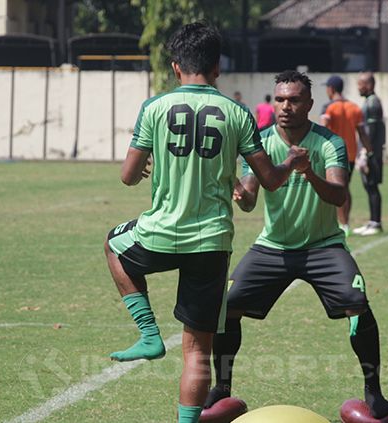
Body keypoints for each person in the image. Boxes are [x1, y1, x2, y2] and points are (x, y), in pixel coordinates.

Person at [104, 22, 309, 423]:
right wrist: (290, 162)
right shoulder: (237, 112)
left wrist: (145, 163)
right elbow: (268, 180)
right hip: (212, 242)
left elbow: (127, 176)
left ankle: (148, 333)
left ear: (176, 67)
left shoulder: (154, 107)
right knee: (197, 351)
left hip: (160, 231)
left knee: (114, 244)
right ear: (217, 68)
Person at [203, 70, 388, 419]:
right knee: (226, 306)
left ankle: (374, 391)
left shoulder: (328, 143)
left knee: (357, 303)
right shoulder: (259, 142)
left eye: (294, 100)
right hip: (272, 247)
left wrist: (309, 173)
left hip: (324, 247)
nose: (285, 106)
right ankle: (222, 388)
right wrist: (240, 195)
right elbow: (249, 198)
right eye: (280, 99)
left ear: (309, 104)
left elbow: (339, 195)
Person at [320, 75, 365, 237]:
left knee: (332, 188)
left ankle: (339, 223)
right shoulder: (354, 107)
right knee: (345, 188)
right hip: (350, 154)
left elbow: (323, 129)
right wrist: (369, 151)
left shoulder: (329, 107)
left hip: (333, 154)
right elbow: (362, 132)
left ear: (331, 89)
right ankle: (345, 223)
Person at [353, 72, 386, 236]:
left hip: (372, 153)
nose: (358, 87)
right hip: (369, 151)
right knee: (368, 186)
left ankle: (376, 223)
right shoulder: (368, 101)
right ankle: (372, 221)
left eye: (361, 84)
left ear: (369, 85)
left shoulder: (373, 103)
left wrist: (366, 152)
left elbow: (371, 131)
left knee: (372, 186)